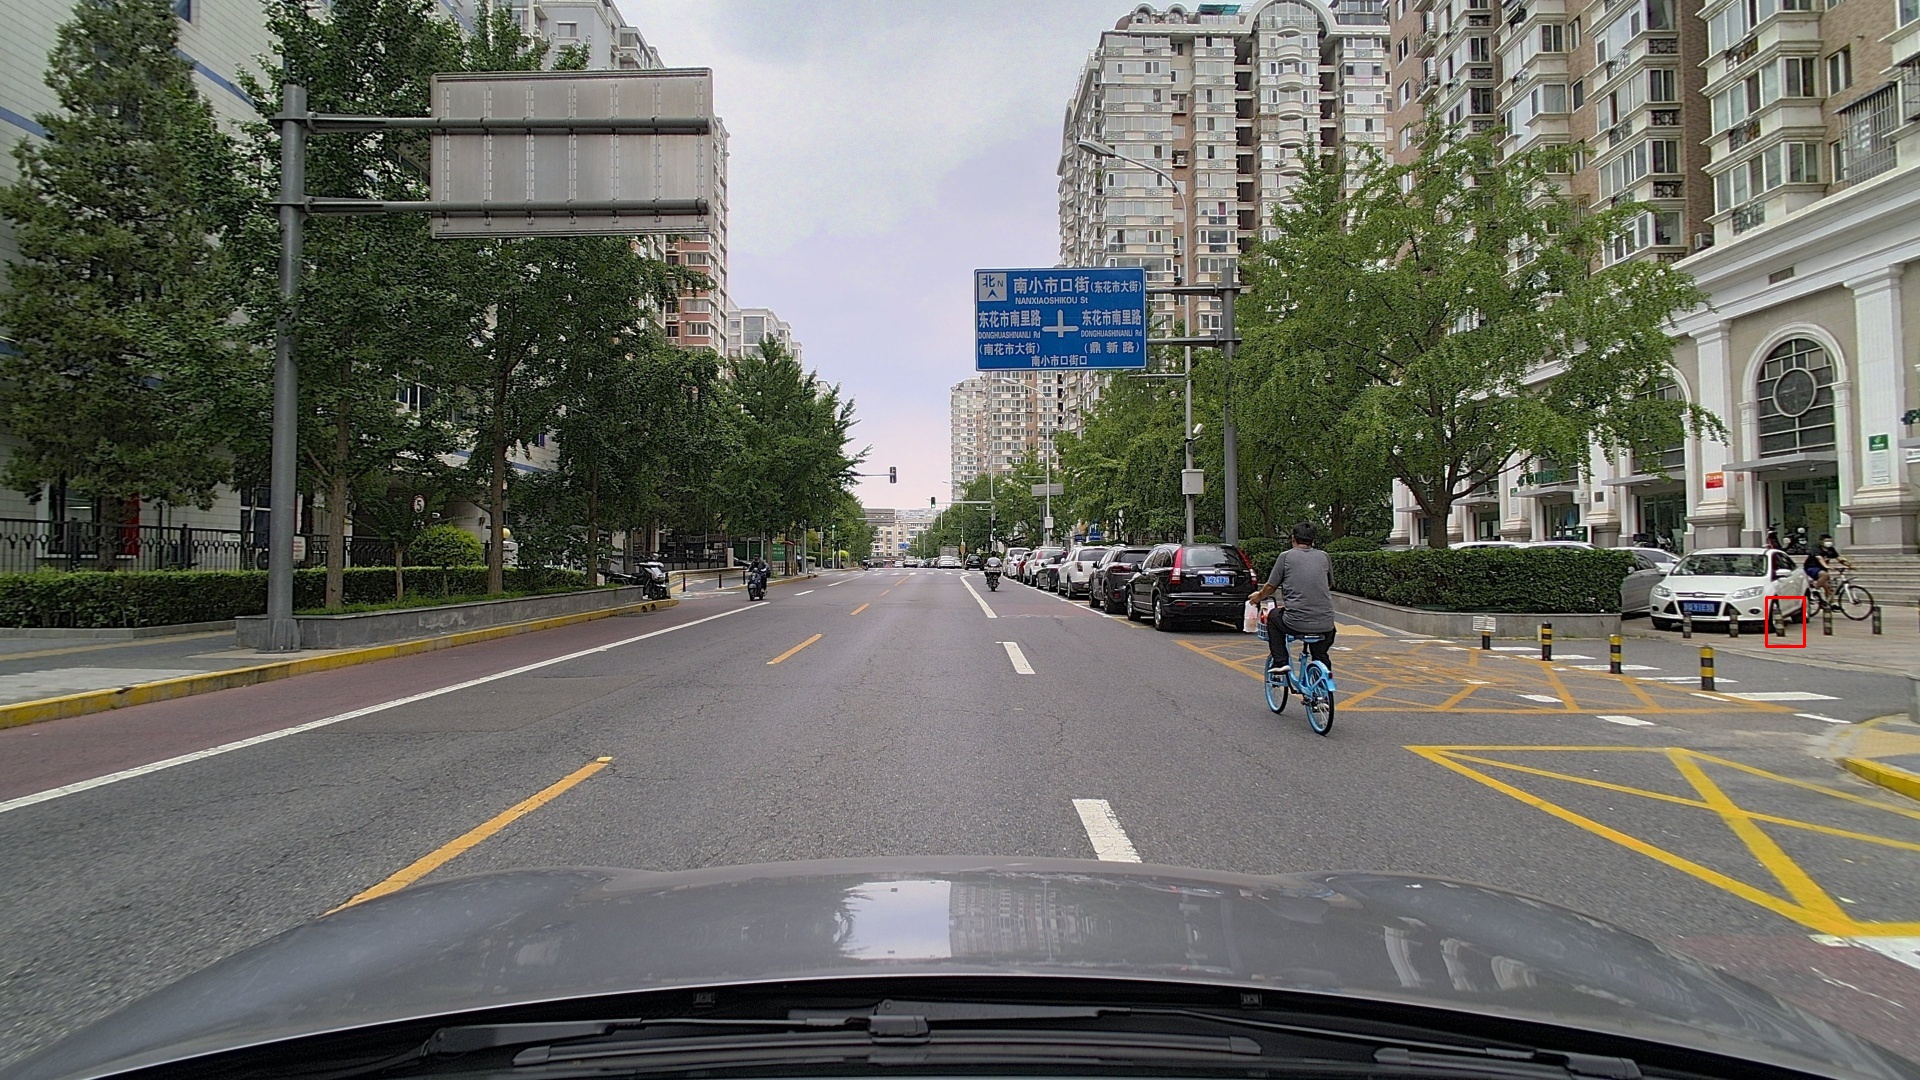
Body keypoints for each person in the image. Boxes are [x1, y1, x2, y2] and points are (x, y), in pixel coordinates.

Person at [1247, 521, 1337, 676]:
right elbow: (1329, 584)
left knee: (1273, 617)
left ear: (1293, 538)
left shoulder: (1286, 557)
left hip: (1295, 622)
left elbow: (1270, 587)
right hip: (1326, 624)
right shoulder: (1324, 556)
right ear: (1313, 540)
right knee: (1320, 652)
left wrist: (1258, 597)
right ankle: (1323, 675)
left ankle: (1281, 662)